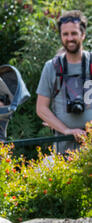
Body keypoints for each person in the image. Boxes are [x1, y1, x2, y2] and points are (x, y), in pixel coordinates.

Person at [36, 10, 92, 154]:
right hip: (63, 147)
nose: (69, 38)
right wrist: (67, 130)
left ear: (83, 35)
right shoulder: (51, 67)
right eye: (65, 34)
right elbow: (41, 108)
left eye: (74, 33)